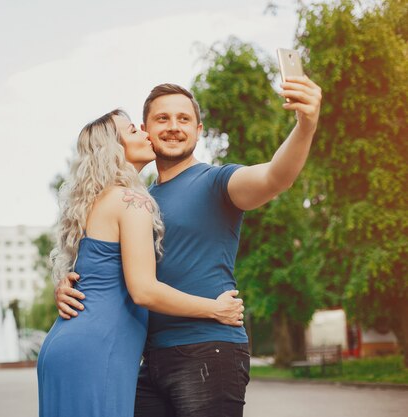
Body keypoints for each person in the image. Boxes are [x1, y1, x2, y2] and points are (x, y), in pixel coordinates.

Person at [55, 77, 322, 417]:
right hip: (148, 360)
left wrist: (305, 125)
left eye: (183, 120)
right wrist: (69, 287)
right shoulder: (135, 200)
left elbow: (275, 177)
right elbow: (109, 268)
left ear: (198, 130)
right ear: (145, 129)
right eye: (162, 119)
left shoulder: (217, 182)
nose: (173, 127)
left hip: (208, 349)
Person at [37, 109, 246, 417]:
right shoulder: (133, 201)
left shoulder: (94, 202)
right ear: (115, 148)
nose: (146, 134)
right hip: (99, 348)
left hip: (64, 343)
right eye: (134, 131)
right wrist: (216, 309)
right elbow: (144, 291)